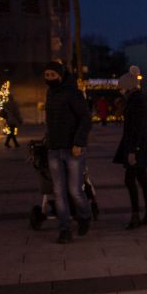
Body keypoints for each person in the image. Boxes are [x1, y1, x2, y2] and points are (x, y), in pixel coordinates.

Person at [43, 61, 93, 244]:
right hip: (54, 149)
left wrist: (79, 142)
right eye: (46, 75)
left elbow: (85, 119)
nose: (49, 78)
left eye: (52, 75)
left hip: (73, 150)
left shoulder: (73, 93)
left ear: (60, 76)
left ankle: (85, 215)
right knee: (58, 192)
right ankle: (65, 229)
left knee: (74, 190)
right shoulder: (50, 94)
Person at [113, 70, 147, 229]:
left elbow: (138, 128)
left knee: (130, 180)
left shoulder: (136, 101)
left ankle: (136, 215)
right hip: (138, 145)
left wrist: (133, 151)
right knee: (142, 179)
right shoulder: (134, 99)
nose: (120, 89)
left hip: (137, 147)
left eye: (122, 87)